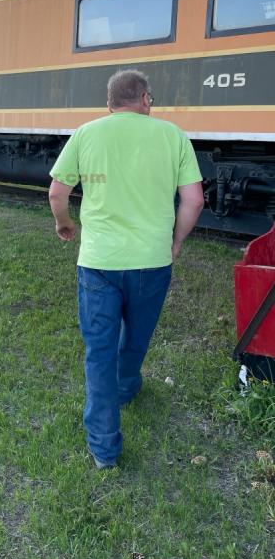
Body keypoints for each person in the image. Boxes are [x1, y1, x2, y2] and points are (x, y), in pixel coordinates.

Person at [48, 69, 204, 469]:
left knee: (99, 351)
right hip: (152, 261)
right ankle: (127, 386)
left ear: (110, 102)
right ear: (145, 99)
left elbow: (57, 191)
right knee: (136, 336)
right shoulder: (173, 136)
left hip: (99, 263)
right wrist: (176, 240)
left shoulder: (87, 133)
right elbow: (193, 201)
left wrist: (64, 223)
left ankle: (104, 448)